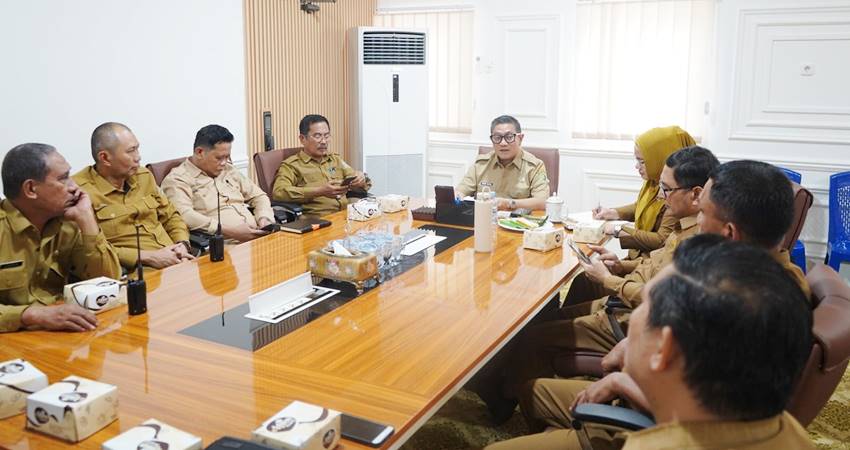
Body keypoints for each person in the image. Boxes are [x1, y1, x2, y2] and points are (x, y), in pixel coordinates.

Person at [487, 160, 812, 448]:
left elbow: (705, 409)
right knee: (533, 389)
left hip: (645, 422)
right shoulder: (745, 276)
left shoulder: (753, 303)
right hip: (652, 406)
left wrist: (624, 381)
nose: (696, 221)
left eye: (702, 212)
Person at [476, 147, 718, 425]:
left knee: (535, 335)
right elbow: (655, 263)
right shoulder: (686, 224)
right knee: (563, 300)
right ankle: (514, 378)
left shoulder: (699, 240)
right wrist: (620, 265)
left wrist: (608, 279)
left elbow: (658, 300)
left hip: (628, 314)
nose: (661, 197)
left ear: (696, 194)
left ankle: (515, 398)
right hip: (629, 298)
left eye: (666, 189)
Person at [0, 143, 121, 333]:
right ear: (31, 189)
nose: (74, 187)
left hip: (62, 332)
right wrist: (31, 315)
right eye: (63, 179)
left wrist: (87, 219)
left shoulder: (68, 220)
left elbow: (109, 281)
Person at [73, 122, 193, 270]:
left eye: (137, 149)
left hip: (177, 260)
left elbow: (171, 216)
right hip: (136, 271)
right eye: (131, 151)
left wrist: (182, 243)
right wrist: (148, 257)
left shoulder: (143, 176)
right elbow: (88, 251)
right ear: (105, 158)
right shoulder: (80, 193)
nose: (138, 157)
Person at [593, 126, 695, 258]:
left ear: (661, 158)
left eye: (642, 162)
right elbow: (642, 206)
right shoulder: (653, 182)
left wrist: (618, 230)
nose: (637, 166)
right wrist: (613, 212)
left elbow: (661, 239)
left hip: (652, 260)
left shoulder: (674, 193)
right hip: (640, 259)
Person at [162, 124, 275, 243]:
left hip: (258, 237)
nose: (224, 163)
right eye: (219, 158)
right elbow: (184, 215)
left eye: (227, 157)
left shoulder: (229, 170)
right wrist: (230, 231)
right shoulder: (178, 179)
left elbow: (258, 196)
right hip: (224, 244)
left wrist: (264, 218)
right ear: (199, 152)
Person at [272, 114, 370, 217]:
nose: (324, 141)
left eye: (326, 136)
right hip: (318, 220)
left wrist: (361, 178)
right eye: (317, 136)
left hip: (344, 215)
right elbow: (279, 192)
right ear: (302, 139)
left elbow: (354, 177)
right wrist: (319, 191)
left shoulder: (335, 159)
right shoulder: (292, 165)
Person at [456, 115, 549, 211]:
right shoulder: (481, 164)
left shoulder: (534, 166)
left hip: (517, 219)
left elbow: (542, 202)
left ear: (520, 138)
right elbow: (460, 191)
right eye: (497, 137)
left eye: (509, 137)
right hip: (485, 217)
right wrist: (457, 196)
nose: (503, 143)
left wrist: (509, 204)